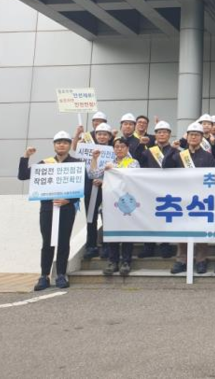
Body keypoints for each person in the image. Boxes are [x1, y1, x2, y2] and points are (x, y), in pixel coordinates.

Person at [18, 131, 82, 291]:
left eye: (65, 142)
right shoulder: (45, 163)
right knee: (47, 242)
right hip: (47, 208)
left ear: (69, 145)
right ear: (54, 145)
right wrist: (26, 156)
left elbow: (82, 187)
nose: (61, 145)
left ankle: (61, 274)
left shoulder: (76, 163)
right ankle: (44, 276)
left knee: (63, 242)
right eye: (58, 142)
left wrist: (69, 200)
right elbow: (23, 175)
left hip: (67, 208)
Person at [164, 122, 215, 274]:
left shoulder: (207, 156)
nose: (193, 137)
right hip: (182, 199)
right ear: (186, 137)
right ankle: (182, 260)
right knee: (182, 230)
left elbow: (212, 176)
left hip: (201, 199)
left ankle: (201, 260)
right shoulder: (179, 155)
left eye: (197, 135)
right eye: (191, 134)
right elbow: (165, 166)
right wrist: (171, 149)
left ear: (201, 138)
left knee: (201, 230)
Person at [90, 136, 140, 277]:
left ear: (127, 148)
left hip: (126, 203)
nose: (119, 149)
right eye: (116, 147)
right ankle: (113, 261)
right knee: (112, 233)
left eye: (122, 146)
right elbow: (92, 174)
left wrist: (114, 169)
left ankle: (126, 262)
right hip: (109, 203)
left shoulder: (133, 162)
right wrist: (94, 159)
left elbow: (133, 177)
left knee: (127, 233)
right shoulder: (108, 162)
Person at [137, 121, 178, 260]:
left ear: (169, 134)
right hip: (150, 189)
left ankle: (165, 245)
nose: (161, 134)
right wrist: (140, 145)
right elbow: (137, 162)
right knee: (149, 217)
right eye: (159, 132)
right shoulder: (149, 151)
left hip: (168, 190)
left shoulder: (175, 150)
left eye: (164, 132)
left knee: (165, 218)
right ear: (155, 135)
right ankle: (148, 246)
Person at [82, 122, 113, 260]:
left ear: (109, 136)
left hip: (109, 188)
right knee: (90, 218)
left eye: (105, 134)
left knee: (107, 217)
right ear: (95, 135)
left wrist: (104, 180)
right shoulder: (86, 150)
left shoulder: (115, 149)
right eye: (99, 134)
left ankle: (107, 246)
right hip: (90, 187)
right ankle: (91, 246)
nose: (102, 137)